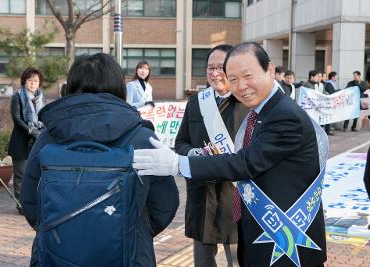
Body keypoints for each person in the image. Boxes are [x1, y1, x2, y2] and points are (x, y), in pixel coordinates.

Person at [133, 42, 328, 267]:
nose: (241, 85)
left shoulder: (283, 115)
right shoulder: (261, 110)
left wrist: (178, 164)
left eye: (247, 75)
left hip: (285, 239)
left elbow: (246, 162)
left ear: (271, 70)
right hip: (266, 231)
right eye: (233, 78)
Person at [20, 53, 179, 267]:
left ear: (72, 85)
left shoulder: (49, 136)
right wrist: (134, 230)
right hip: (130, 255)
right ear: (119, 86)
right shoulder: (142, 136)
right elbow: (165, 203)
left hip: (56, 254)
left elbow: (30, 198)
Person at [175, 44, 248, 267]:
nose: (215, 73)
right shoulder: (197, 102)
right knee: (202, 259)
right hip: (201, 192)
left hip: (234, 192)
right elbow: (180, 143)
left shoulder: (247, 104)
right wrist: (193, 153)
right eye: (210, 68)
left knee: (238, 257)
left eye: (221, 68)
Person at [8, 67, 46, 214]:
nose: (32, 83)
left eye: (35, 80)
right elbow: (17, 118)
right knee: (20, 175)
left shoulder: (41, 98)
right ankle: (20, 204)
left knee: (34, 175)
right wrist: (31, 130)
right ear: (24, 81)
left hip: (36, 141)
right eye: (29, 80)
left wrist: (40, 132)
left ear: (39, 83)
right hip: (21, 141)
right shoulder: (17, 96)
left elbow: (43, 117)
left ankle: (33, 203)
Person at [323, 71, 339, 136]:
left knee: (328, 116)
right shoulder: (329, 83)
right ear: (332, 77)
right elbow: (331, 92)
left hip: (330, 102)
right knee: (328, 116)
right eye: (335, 77)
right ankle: (327, 130)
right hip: (328, 102)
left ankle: (327, 130)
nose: (336, 78)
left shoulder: (330, 83)